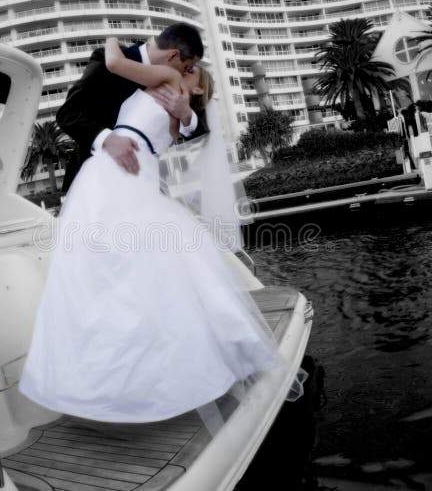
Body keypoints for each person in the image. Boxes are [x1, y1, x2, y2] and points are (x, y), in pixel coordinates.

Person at [18, 37, 281, 423]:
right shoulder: (179, 109)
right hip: (131, 174)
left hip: (115, 172)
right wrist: (187, 114)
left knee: (101, 270)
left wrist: (111, 40)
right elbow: (191, 129)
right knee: (137, 272)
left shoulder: (167, 80)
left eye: (188, 70)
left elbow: (115, 64)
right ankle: (159, 369)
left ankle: (118, 378)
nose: (183, 72)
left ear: (188, 76)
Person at [57, 23, 206, 191]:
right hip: (92, 181)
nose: (184, 74)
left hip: (143, 183)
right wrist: (109, 140)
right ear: (173, 55)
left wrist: (186, 114)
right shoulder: (108, 58)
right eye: (186, 68)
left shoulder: (175, 91)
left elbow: (201, 140)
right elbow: (68, 113)